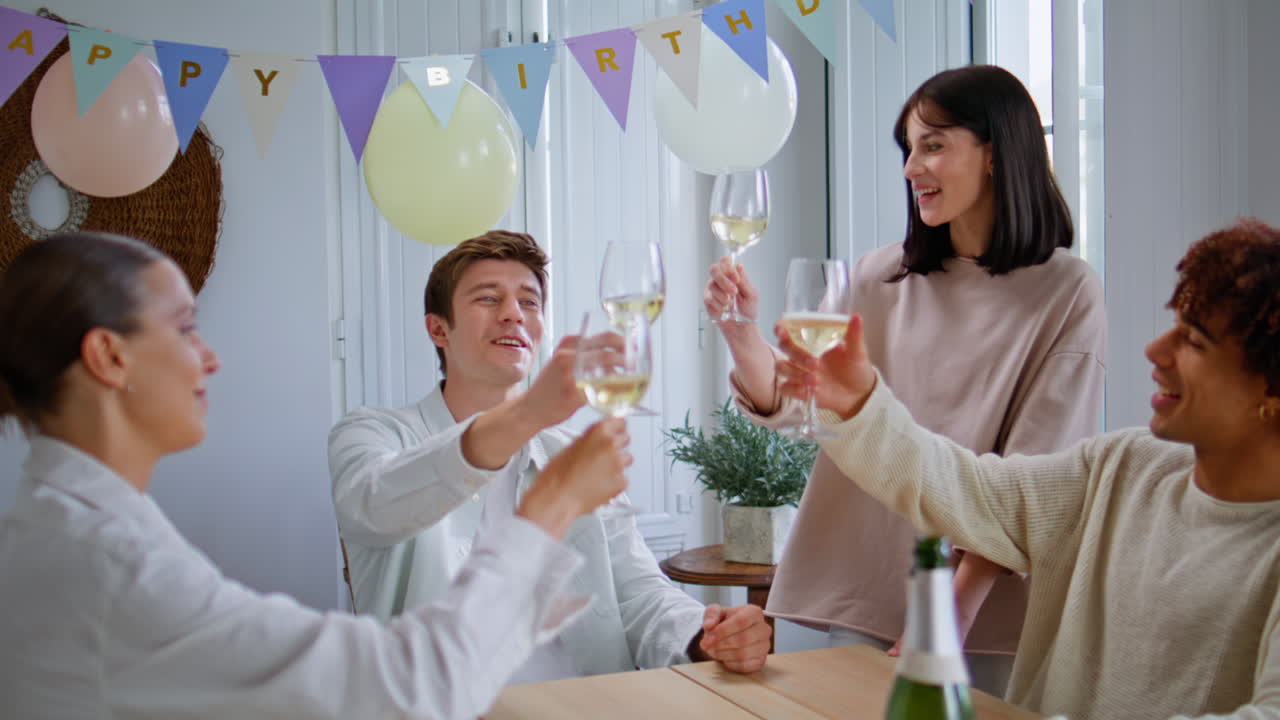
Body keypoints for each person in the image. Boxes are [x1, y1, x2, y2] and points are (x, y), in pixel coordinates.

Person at [0, 231, 638, 719]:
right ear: (109, 356)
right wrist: (553, 502)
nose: (212, 358)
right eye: (187, 328)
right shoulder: (107, 565)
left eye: (527, 300)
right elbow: (410, 686)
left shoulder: (78, 528)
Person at [773, 217, 1280, 719]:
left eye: (1194, 342)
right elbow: (967, 491)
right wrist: (862, 404)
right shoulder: (1121, 468)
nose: (1154, 350)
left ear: (1270, 390)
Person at [705, 64, 1105, 693]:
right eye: (908, 148)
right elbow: (794, 406)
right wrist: (739, 330)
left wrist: (954, 607)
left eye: (934, 145)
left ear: (997, 153)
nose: (911, 167)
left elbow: (1037, 479)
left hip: (978, 609)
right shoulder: (878, 276)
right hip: (853, 581)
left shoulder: (1067, 292)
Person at [329, 230, 771, 682]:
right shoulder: (372, 433)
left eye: (529, 302)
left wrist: (706, 635)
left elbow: (639, 595)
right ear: (438, 328)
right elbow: (375, 502)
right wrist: (527, 412)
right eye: (487, 299)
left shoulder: (571, 455)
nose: (512, 315)